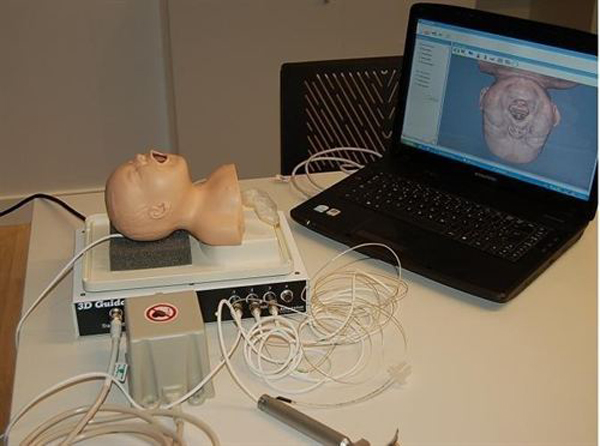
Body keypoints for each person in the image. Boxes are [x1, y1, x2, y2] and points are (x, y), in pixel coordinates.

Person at [105, 150, 245, 245]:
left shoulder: (217, 178)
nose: (138, 157)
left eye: (131, 162)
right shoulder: (216, 227)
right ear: (160, 209)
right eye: (136, 173)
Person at [478, 61, 576, 164]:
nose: (517, 127)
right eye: (533, 137)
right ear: (554, 116)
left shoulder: (482, 58)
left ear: (483, 98)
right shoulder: (573, 75)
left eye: (498, 127)